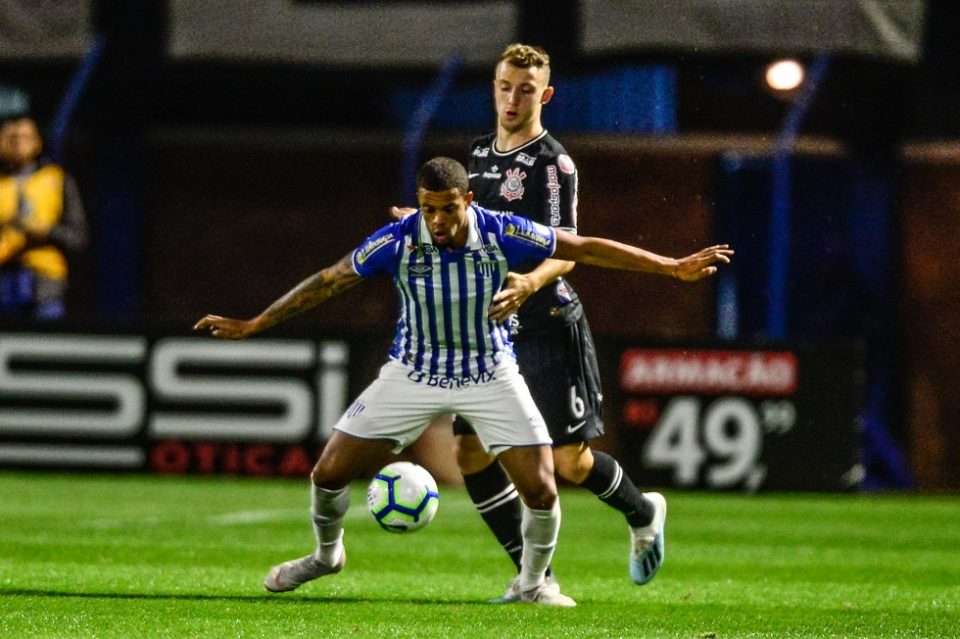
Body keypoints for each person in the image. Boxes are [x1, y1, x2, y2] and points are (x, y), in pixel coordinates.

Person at [195, 156, 732, 606]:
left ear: (468, 201)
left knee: (543, 486)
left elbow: (584, 247)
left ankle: (531, 584)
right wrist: (256, 324)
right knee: (328, 472)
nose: (438, 221)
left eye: (448, 210)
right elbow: (331, 280)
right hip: (413, 372)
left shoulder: (502, 231)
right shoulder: (399, 240)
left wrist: (670, 267)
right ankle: (326, 555)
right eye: (429, 210)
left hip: (489, 372)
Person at [391, 43, 675, 601]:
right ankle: (534, 577)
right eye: (504, 87)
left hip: (547, 323)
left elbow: (567, 250)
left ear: (544, 96)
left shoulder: (554, 164)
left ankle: (643, 511)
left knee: (570, 464)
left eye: (526, 90)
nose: (513, 98)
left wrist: (527, 282)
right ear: (494, 89)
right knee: (470, 452)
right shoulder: (474, 155)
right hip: (491, 334)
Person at [0, 115, 88, 320]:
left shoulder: (57, 180)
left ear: (38, 142)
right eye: (11, 137)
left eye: (25, 137)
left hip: (45, 287)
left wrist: (45, 231)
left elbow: (78, 237)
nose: (18, 143)